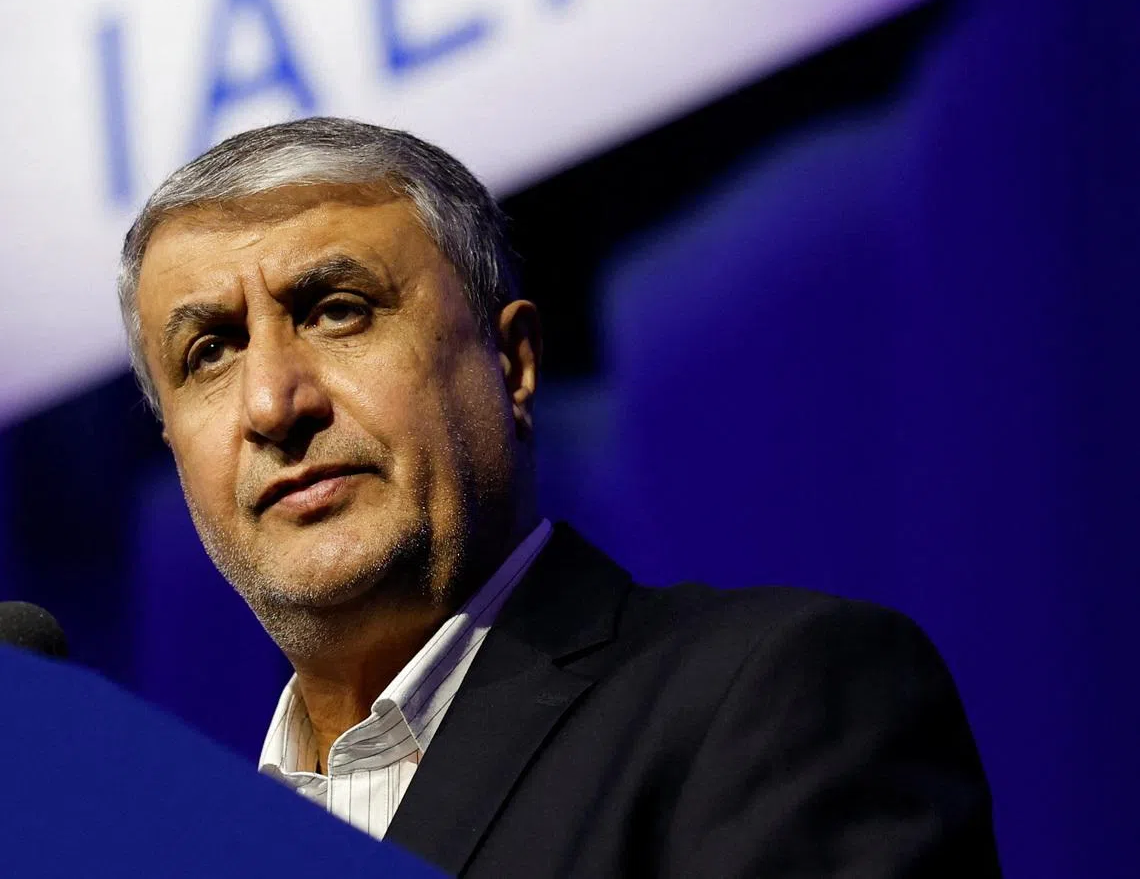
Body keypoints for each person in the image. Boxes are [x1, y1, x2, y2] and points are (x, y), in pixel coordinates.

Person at [119, 116, 1003, 877]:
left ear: (513, 364)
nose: (275, 403)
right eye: (211, 353)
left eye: (338, 310)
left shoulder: (770, 699)